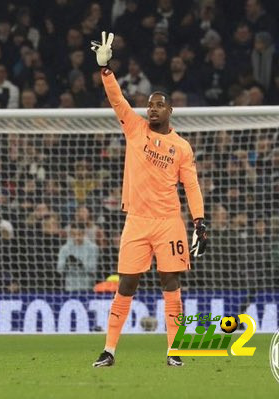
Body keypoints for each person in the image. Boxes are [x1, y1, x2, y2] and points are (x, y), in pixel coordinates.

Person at [90, 32, 208, 368]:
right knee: (126, 283)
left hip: (169, 222)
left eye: (158, 104)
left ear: (170, 110)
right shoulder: (134, 128)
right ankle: (109, 350)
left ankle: (175, 350)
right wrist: (106, 69)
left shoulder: (182, 147)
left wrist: (199, 221)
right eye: (150, 104)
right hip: (137, 220)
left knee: (170, 283)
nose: (151, 108)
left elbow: (192, 186)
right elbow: (117, 101)